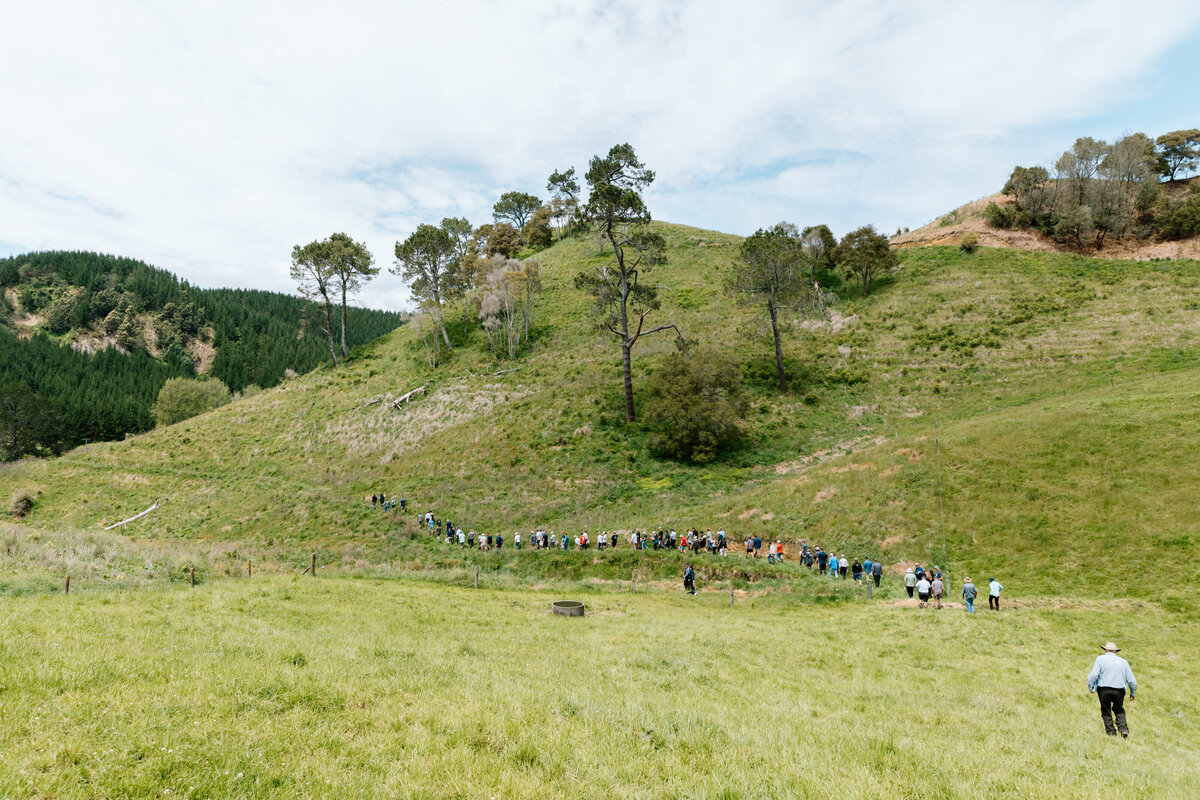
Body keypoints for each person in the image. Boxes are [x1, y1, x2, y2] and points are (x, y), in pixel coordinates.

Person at [1087, 642, 1137, 737]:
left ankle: (1111, 732)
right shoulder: (1123, 662)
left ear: (1105, 650)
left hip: (1104, 689)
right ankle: (1123, 729)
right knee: (1119, 709)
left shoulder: (1100, 659)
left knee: (1105, 709)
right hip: (1119, 690)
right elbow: (1132, 680)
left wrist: (1091, 686)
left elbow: (1093, 675)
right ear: (1116, 652)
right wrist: (1133, 692)